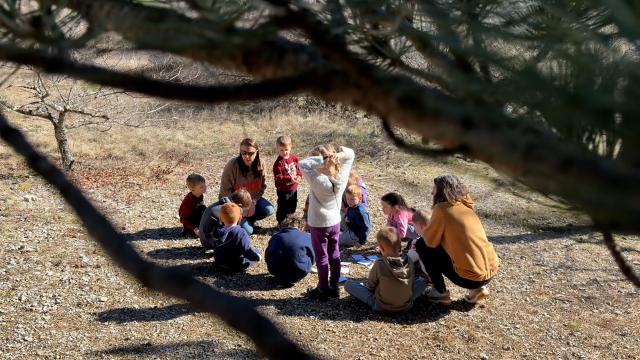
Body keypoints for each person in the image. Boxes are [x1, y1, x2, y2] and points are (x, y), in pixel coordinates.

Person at [415, 174, 500, 305]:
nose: (432, 192)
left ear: (442, 191)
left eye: (434, 188)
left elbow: (430, 242)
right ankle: (477, 290)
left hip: (469, 278)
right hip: (491, 271)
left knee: (421, 244)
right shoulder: (466, 206)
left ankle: (440, 292)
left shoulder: (442, 209)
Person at [300, 144, 354, 301]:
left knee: (322, 256)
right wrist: (338, 156)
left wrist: (323, 159)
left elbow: (303, 163)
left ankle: (323, 288)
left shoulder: (317, 179)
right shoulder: (342, 177)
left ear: (321, 164)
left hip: (318, 223)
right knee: (335, 253)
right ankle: (334, 286)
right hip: (335, 222)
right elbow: (350, 154)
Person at [344, 227, 427, 313]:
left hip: (381, 306)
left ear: (381, 249)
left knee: (348, 284)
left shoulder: (380, 264)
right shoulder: (409, 260)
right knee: (422, 281)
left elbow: (370, 285)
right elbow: (411, 282)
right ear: (400, 245)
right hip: (406, 305)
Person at [219, 138, 275, 234]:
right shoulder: (232, 165)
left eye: (250, 153)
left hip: (251, 201)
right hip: (234, 203)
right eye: (243, 153)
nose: (247, 156)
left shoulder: (261, 164)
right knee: (248, 231)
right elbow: (225, 192)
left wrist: (253, 202)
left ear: (256, 152)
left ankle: (248, 220)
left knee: (269, 209)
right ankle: (239, 222)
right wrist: (239, 208)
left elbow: (262, 187)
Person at [265, 215, 315, 286]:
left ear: (282, 227)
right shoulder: (307, 236)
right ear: (302, 227)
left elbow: (267, 255)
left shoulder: (275, 236)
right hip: (298, 273)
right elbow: (313, 255)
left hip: (276, 271)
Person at [211, 203, 261, 272]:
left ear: (220, 218)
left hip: (219, 263)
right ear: (240, 218)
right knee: (256, 251)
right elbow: (246, 251)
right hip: (234, 266)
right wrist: (257, 257)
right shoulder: (240, 232)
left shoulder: (216, 230)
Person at [273, 135, 302, 227]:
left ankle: (290, 222)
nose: (284, 152)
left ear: (290, 147)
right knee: (283, 206)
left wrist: (299, 176)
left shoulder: (294, 158)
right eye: (281, 150)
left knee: (293, 204)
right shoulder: (278, 163)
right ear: (277, 149)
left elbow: (298, 169)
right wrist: (290, 178)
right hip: (283, 189)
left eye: (286, 149)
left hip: (293, 188)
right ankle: (281, 223)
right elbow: (278, 177)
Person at [339, 185, 371, 249]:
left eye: (352, 199)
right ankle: (343, 232)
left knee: (336, 240)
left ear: (360, 198)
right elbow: (349, 213)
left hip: (356, 234)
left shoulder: (361, 212)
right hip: (352, 226)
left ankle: (353, 241)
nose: (349, 201)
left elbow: (366, 229)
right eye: (347, 199)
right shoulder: (352, 206)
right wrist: (347, 219)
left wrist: (361, 242)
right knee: (338, 217)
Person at [178, 173, 207, 237]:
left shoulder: (200, 194)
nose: (205, 187)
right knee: (202, 208)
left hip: (195, 214)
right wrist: (194, 229)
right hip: (189, 220)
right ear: (193, 189)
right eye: (201, 187)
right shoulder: (189, 201)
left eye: (204, 185)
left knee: (204, 209)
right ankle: (188, 230)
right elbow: (183, 219)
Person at [407, 209, 432, 275]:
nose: (414, 228)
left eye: (414, 226)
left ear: (420, 227)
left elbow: (410, 258)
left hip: (431, 269)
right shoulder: (436, 234)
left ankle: (429, 279)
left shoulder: (420, 243)